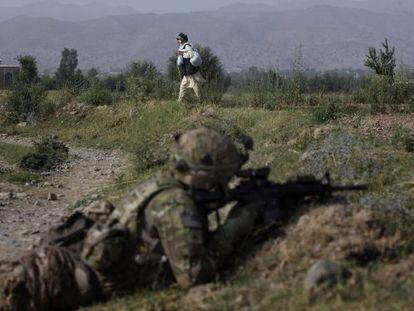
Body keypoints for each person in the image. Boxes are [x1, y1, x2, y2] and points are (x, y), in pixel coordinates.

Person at [0, 128, 263, 311]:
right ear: (206, 174)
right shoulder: (175, 204)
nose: (228, 182)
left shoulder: (162, 185)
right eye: (224, 176)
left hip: (63, 260)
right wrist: (234, 227)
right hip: (56, 278)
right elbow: (192, 277)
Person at [176, 33, 205, 103]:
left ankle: (201, 101)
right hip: (187, 73)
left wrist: (181, 53)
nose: (177, 40)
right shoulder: (183, 47)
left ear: (181, 40)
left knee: (195, 87)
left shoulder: (187, 46)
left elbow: (189, 54)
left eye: (178, 39)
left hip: (191, 72)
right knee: (183, 87)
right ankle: (179, 102)